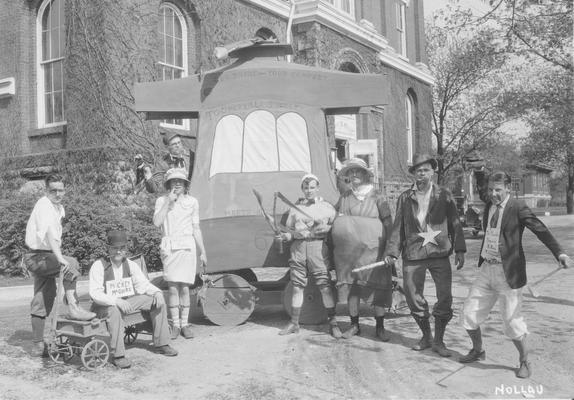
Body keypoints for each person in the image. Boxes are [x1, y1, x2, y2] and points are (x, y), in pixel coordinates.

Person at [459, 170, 573, 378]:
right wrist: (478, 170)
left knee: (512, 322)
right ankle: (478, 350)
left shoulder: (517, 207)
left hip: (509, 272)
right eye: (491, 190)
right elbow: (481, 186)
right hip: (487, 269)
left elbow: (540, 229)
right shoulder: (489, 205)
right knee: (468, 315)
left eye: (498, 190)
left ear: (509, 189)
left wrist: (560, 252)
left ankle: (524, 361)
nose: (494, 194)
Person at [384, 153, 466, 357]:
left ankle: (439, 341)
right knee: (412, 295)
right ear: (413, 174)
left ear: (433, 171)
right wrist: (392, 252)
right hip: (413, 252)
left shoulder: (444, 195)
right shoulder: (405, 197)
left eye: (426, 170)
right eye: (418, 170)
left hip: (439, 251)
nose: (422, 174)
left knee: (444, 296)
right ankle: (426, 335)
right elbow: (397, 227)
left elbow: (455, 222)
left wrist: (460, 249)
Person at [23, 174, 96, 357]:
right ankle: (73, 307)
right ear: (46, 191)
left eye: (60, 190)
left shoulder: (58, 208)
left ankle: (38, 344)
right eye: (53, 190)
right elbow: (48, 234)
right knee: (71, 263)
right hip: (37, 257)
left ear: (64, 190)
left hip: (45, 256)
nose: (57, 193)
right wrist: (60, 257)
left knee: (41, 298)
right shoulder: (44, 205)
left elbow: (52, 237)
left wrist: (56, 256)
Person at [89, 230, 178, 369]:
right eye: (115, 248)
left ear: (126, 249)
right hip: (103, 307)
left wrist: (157, 292)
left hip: (125, 303)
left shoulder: (130, 264)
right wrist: (116, 301)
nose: (118, 252)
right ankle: (118, 355)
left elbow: (143, 284)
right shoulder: (98, 265)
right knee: (114, 310)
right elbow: (95, 293)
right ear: (108, 249)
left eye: (122, 248)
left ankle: (162, 343)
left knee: (156, 300)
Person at [331, 158, 394, 341]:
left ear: (366, 174)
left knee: (377, 288)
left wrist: (389, 250)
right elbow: (333, 218)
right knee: (352, 289)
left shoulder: (377, 197)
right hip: (349, 256)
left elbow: (389, 224)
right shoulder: (344, 197)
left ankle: (380, 327)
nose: (354, 175)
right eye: (351, 172)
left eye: (358, 171)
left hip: (374, 254)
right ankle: (354, 325)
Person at [277, 174, 341, 337]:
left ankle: (333, 324)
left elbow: (339, 227)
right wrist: (285, 237)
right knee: (297, 286)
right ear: (302, 189)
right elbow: (291, 232)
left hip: (318, 248)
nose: (309, 191)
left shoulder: (327, 207)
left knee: (325, 287)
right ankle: (294, 323)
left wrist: (328, 229)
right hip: (298, 249)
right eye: (306, 188)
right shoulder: (294, 209)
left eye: (312, 187)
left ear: (317, 188)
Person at [153, 168, 207, 339]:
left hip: (187, 247)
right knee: (173, 287)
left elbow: (196, 228)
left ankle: (185, 324)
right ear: (169, 184)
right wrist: (168, 202)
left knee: (185, 287)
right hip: (170, 247)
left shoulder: (192, 202)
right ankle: (175, 324)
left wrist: (203, 252)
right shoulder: (161, 200)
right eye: (174, 181)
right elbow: (157, 222)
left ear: (185, 184)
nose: (177, 184)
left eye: (180, 181)